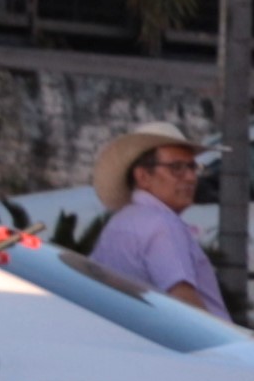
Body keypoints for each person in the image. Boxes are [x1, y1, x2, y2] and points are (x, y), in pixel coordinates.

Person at [89, 121, 220, 315]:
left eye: (192, 167)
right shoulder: (163, 225)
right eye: (176, 168)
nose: (191, 177)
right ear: (143, 177)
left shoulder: (119, 222)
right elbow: (185, 303)